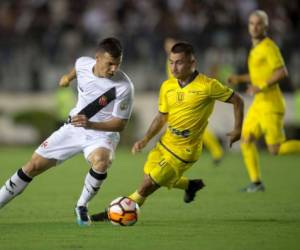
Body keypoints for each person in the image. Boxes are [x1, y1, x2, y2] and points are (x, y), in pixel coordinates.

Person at [90, 41, 243, 222]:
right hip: (165, 143)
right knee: (150, 176)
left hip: (185, 151)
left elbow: (238, 100)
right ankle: (190, 185)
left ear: (192, 63)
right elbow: (161, 117)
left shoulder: (207, 86)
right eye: (171, 62)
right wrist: (145, 140)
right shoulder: (167, 86)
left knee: (146, 186)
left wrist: (237, 129)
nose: (173, 67)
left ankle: (112, 214)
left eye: (179, 62)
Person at [0, 37, 134, 226]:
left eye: (117, 64)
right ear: (97, 58)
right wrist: (66, 78)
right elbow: (76, 70)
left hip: (102, 134)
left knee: (102, 162)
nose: (114, 69)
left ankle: (81, 205)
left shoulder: (124, 86)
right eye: (110, 64)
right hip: (73, 129)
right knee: (32, 166)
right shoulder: (83, 63)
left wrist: (91, 125)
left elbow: (120, 124)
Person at [228, 10, 300, 192]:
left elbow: (282, 71)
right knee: (246, 139)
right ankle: (256, 182)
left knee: (275, 149)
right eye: (252, 23)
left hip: (271, 104)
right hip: (259, 104)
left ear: (266, 26)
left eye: (259, 23)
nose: (255, 27)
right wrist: (240, 79)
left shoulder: (269, 47)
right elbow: (258, 74)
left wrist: (260, 86)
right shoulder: (255, 49)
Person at [165, 37, 224, 165]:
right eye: (167, 45)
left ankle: (216, 151)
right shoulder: (170, 61)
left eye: (170, 45)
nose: (168, 47)